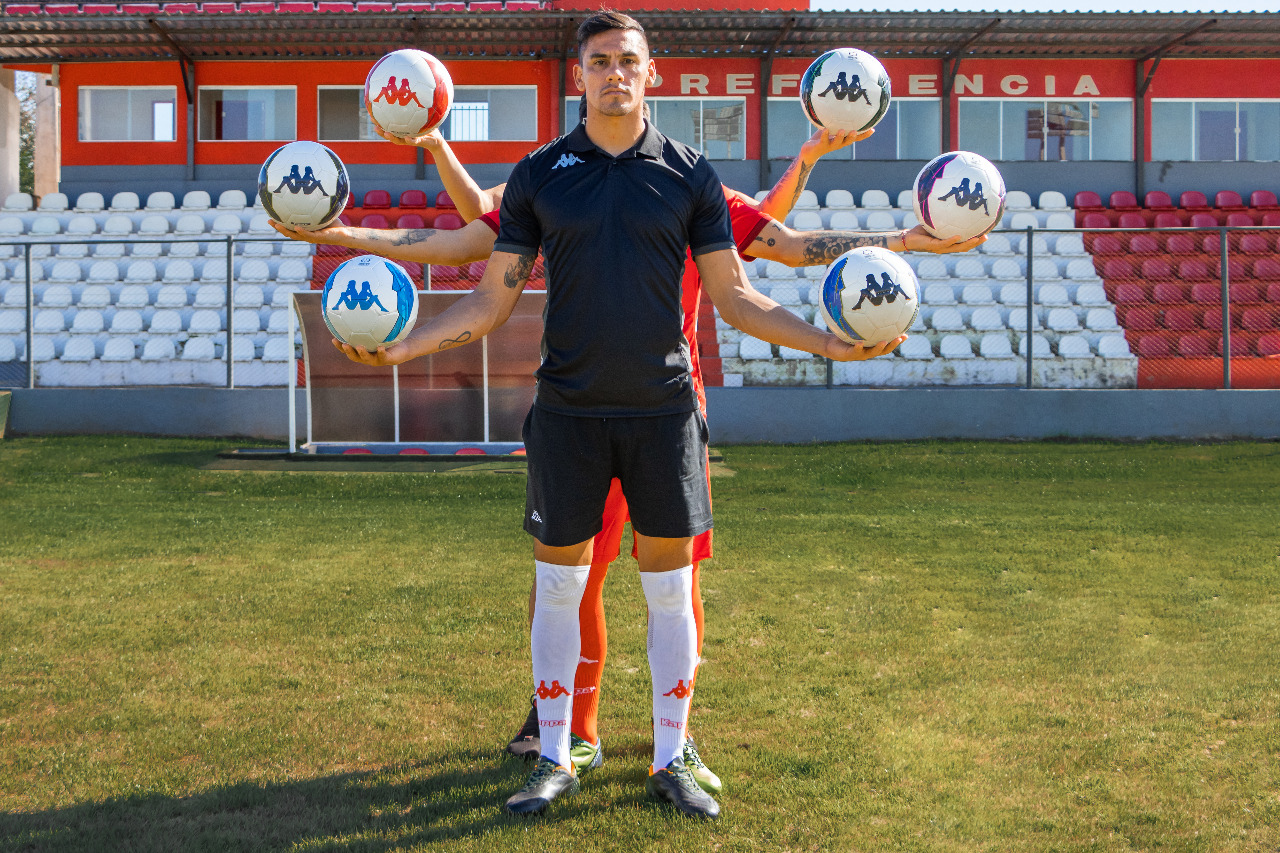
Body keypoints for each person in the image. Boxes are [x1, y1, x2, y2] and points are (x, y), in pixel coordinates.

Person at [277, 73, 981, 822]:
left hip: (666, 410)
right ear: (583, 76)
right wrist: (346, 227)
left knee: (672, 585)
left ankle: (672, 745)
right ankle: (568, 734)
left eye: (629, 60)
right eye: (602, 59)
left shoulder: (688, 181)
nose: (616, 73)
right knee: (565, 580)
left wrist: (896, 237)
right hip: (576, 408)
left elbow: (782, 246)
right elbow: (472, 233)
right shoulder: (552, 177)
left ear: (650, 77)